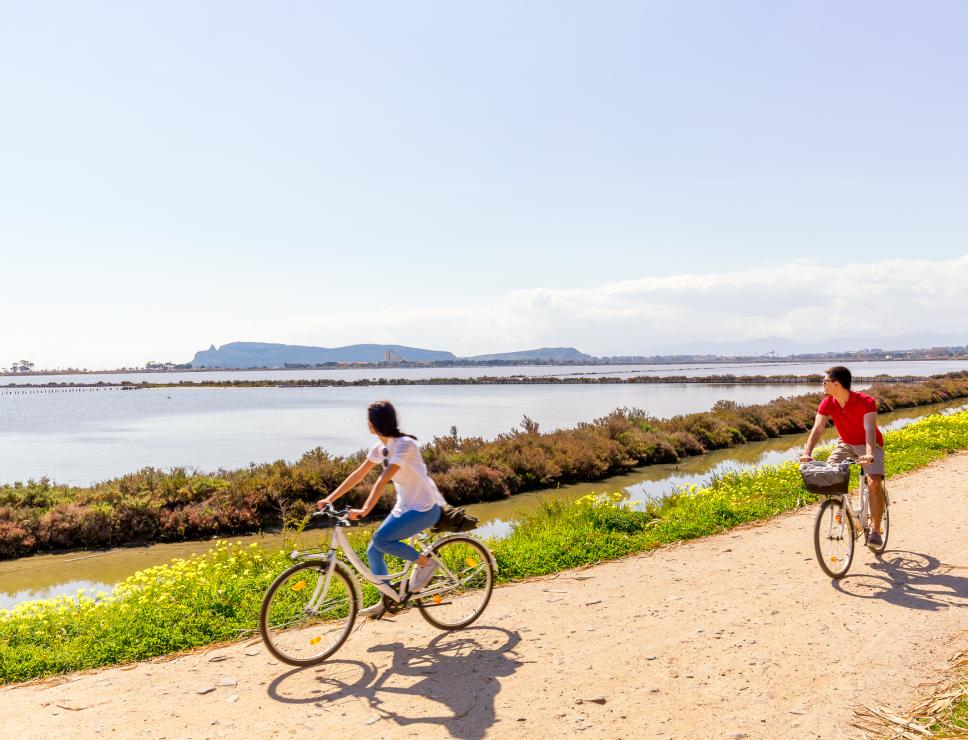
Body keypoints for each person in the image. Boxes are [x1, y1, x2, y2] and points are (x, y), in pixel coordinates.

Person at [317, 400, 445, 618]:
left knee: (382, 540)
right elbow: (358, 474)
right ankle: (387, 598)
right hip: (404, 506)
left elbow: (383, 479)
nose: (367, 423)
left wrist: (365, 509)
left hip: (425, 507)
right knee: (373, 550)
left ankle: (426, 563)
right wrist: (330, 498)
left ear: (375, 424)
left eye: (369, 420)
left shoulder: (405, 445)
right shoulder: (380, 449)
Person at [800, 365, 887, 547]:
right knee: (829, 475)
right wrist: (807, 453)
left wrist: (870, 453)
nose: (822, 384)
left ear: (836, 384)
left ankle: (876, 530)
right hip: (845, 444)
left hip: (869, 444)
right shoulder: (827, 402)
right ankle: (841, 510)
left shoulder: (865, 402)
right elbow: (817, 429)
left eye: (825, 381)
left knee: (874, 484)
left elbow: (869, 429)